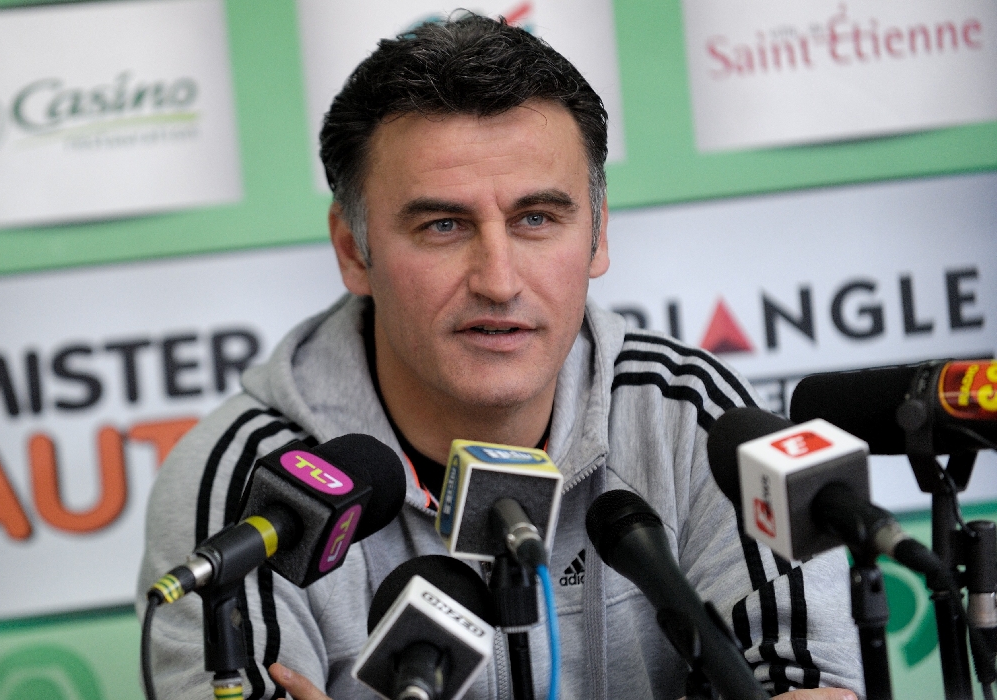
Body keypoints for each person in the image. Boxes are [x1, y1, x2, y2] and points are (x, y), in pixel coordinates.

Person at [137, 14, 863, 700]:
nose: (499, 280)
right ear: (354, 250)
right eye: (443, 225)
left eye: (536, 218)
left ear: (598, 234)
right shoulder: (248, 483)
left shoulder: (686, 415)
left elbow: (814, 685)